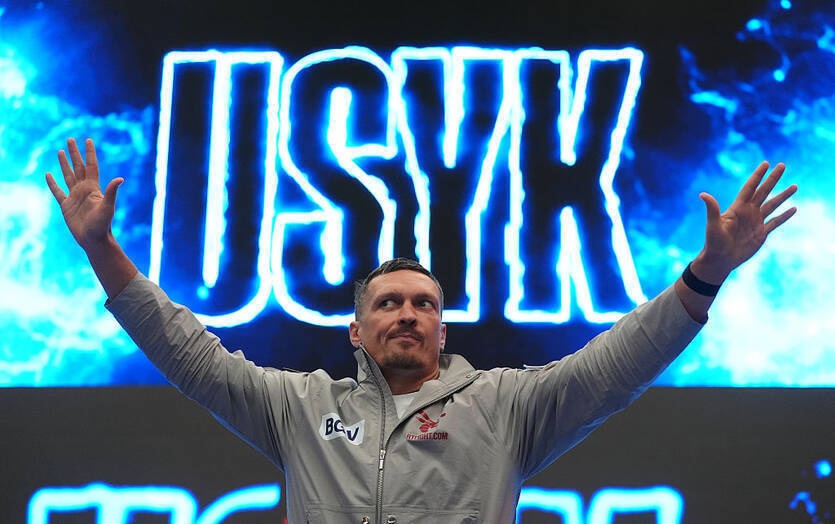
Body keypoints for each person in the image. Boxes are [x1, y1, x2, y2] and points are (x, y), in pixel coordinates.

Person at [47, 137, 797, 523]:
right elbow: (186, 352)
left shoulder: (505, 406)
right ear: (354, 331)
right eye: (387, 304)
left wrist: (708, 271)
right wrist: (102, 249)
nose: (407, 313)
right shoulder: (300, 409)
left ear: (442, 331)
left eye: (424, 305)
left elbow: (618, 364)